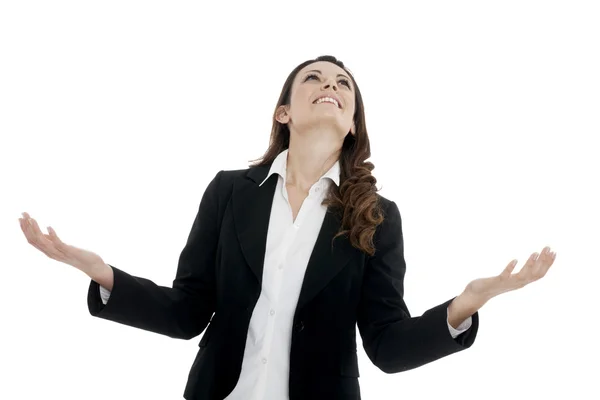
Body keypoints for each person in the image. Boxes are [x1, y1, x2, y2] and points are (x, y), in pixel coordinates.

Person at [19, 55, 557, 400]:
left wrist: (464, 305)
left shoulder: (378, 217)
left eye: (344, 84)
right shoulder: (230, 191)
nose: (332, 85)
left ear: (352, 124)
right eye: (315, 79)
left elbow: (388, 348)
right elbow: (187, 312)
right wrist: (104, 274)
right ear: (284, 112)